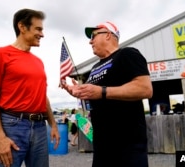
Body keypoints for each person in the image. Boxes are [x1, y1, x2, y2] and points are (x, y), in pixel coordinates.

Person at [61, 21, 153, 167]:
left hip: (127, 146)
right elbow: (95, 97)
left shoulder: (127, 54)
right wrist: (79, 92)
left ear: (108, 35)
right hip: (102, 145)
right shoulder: (95, 67)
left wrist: (102, 91)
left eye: (94, 35)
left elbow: (145, 89)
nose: (90, 41)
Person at [0, 8, 60, 167]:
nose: (42, 34)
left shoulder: (38, 62)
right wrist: (0, 137)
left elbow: (42, 96)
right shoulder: (0, 54)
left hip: (39, 127)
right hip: (12, 125)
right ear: (22, 27)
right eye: (38, 29)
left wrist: (53, 125)